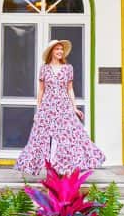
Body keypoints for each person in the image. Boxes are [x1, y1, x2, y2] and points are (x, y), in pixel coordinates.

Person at [15, 39, 105, 176]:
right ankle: (45, 167)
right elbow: (41, 90)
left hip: (63, 106)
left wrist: (74, 107)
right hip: (48, 106)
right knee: (40, 136)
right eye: (57, 49)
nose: (60, 52)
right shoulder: (44, 69)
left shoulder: (68, 68)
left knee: (70, 135)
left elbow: (70, 89)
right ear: (51, 52)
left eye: (61, 49)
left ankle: (65, 167)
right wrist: (38, 110)